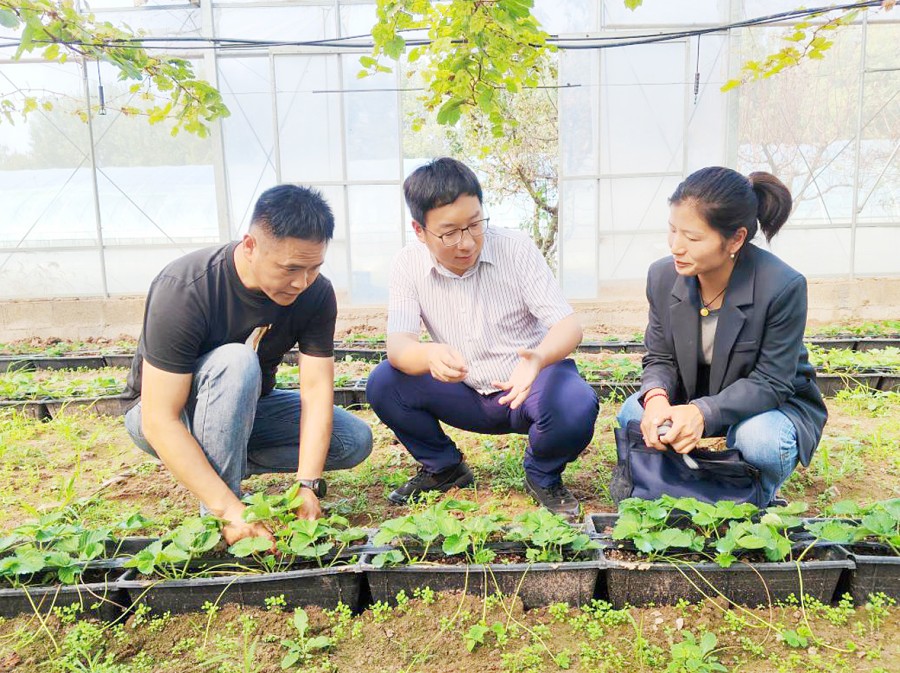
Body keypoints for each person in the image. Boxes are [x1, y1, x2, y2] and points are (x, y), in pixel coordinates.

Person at [123, 185, 372, 545]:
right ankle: (222, 516)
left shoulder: (315, 293)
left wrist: (307, 484)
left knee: (352, 440)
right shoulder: (186, 287)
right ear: (251, 246)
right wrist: (230, 510)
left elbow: (317, 390)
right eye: (290, 268)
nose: (301, 282)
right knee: (237, 360)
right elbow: (158, 418)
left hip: (248, 409)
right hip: (164, 416)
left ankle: (215, 468)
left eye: (314, 268)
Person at [366, 158, 599, 517]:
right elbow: (399, 346)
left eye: (475, 224)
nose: (466, 242)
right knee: (385, 382)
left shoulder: (514, 247)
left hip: (526, 386)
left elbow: (568, 326)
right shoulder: (407, 264)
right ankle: (444, 468)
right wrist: (429, 355)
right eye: (449, 232)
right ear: (419, 230)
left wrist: (537, 359)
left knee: (574, 402)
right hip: (463, 391)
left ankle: (542, 473)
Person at [617, 166, 827, 505]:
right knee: (635, 413)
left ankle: (756, 497)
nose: (676, 246)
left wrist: (701, 413)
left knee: (761, 441)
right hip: (696, 392)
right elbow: (660, 357)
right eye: (672, 230)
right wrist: (656, 398)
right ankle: (683, 490)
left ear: (736, 239)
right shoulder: (662, 277)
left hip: (764, 404)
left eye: (692, 238)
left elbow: (772, 381)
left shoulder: (781, 286)